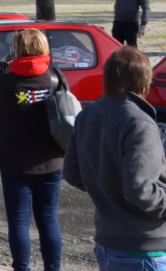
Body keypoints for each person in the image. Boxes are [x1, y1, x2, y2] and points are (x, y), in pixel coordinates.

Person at [64, 46, 166, 270]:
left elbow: (72, 172)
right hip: (144, 247)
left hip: (107, 241)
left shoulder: (87, 114)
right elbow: (140, 189)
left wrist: (106, 189)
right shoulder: (140, 123)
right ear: (143, 79)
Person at [0, 29, 64, 271]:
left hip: (15, 161)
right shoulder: (54, 77)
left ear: (16, 51)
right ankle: (53, 268)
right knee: (48, 219)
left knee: (18, 220)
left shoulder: (6, 82)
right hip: (52, 159)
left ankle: (21, 268)